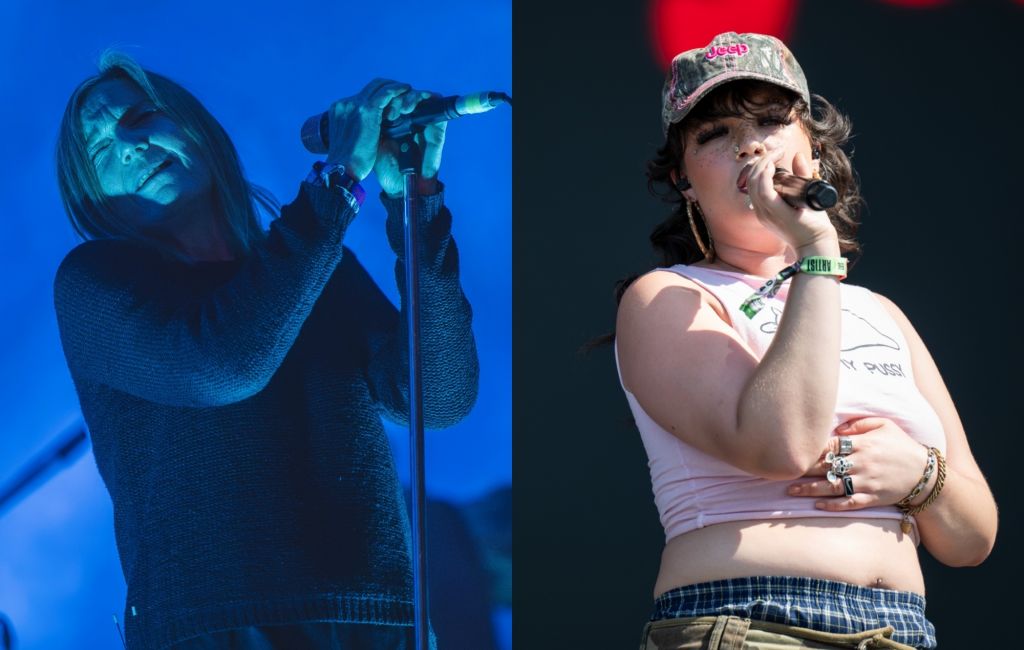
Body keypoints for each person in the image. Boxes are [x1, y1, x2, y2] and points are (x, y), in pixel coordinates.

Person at [52, 52, 478, 649]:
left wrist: (416, 205)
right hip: (218, 625)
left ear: (194, 125)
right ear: (90, 196)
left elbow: (439, 397)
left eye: (142, 116)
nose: (129, 145)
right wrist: (335, 183)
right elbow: (221, 365)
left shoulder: (318, 265)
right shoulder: (94, 283)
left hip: (377, 618)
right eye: (100, 152)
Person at [613, 32, 996, 649]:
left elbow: (973, 537)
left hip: (902, 631)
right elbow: (781, 444)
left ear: (813, 152)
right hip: (749, 620)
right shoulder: (667, 297)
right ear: (683, 180)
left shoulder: (879, 313)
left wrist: (918, 475)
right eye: (714, 135)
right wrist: (817, 252)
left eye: (769, 120)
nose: (750, 144)